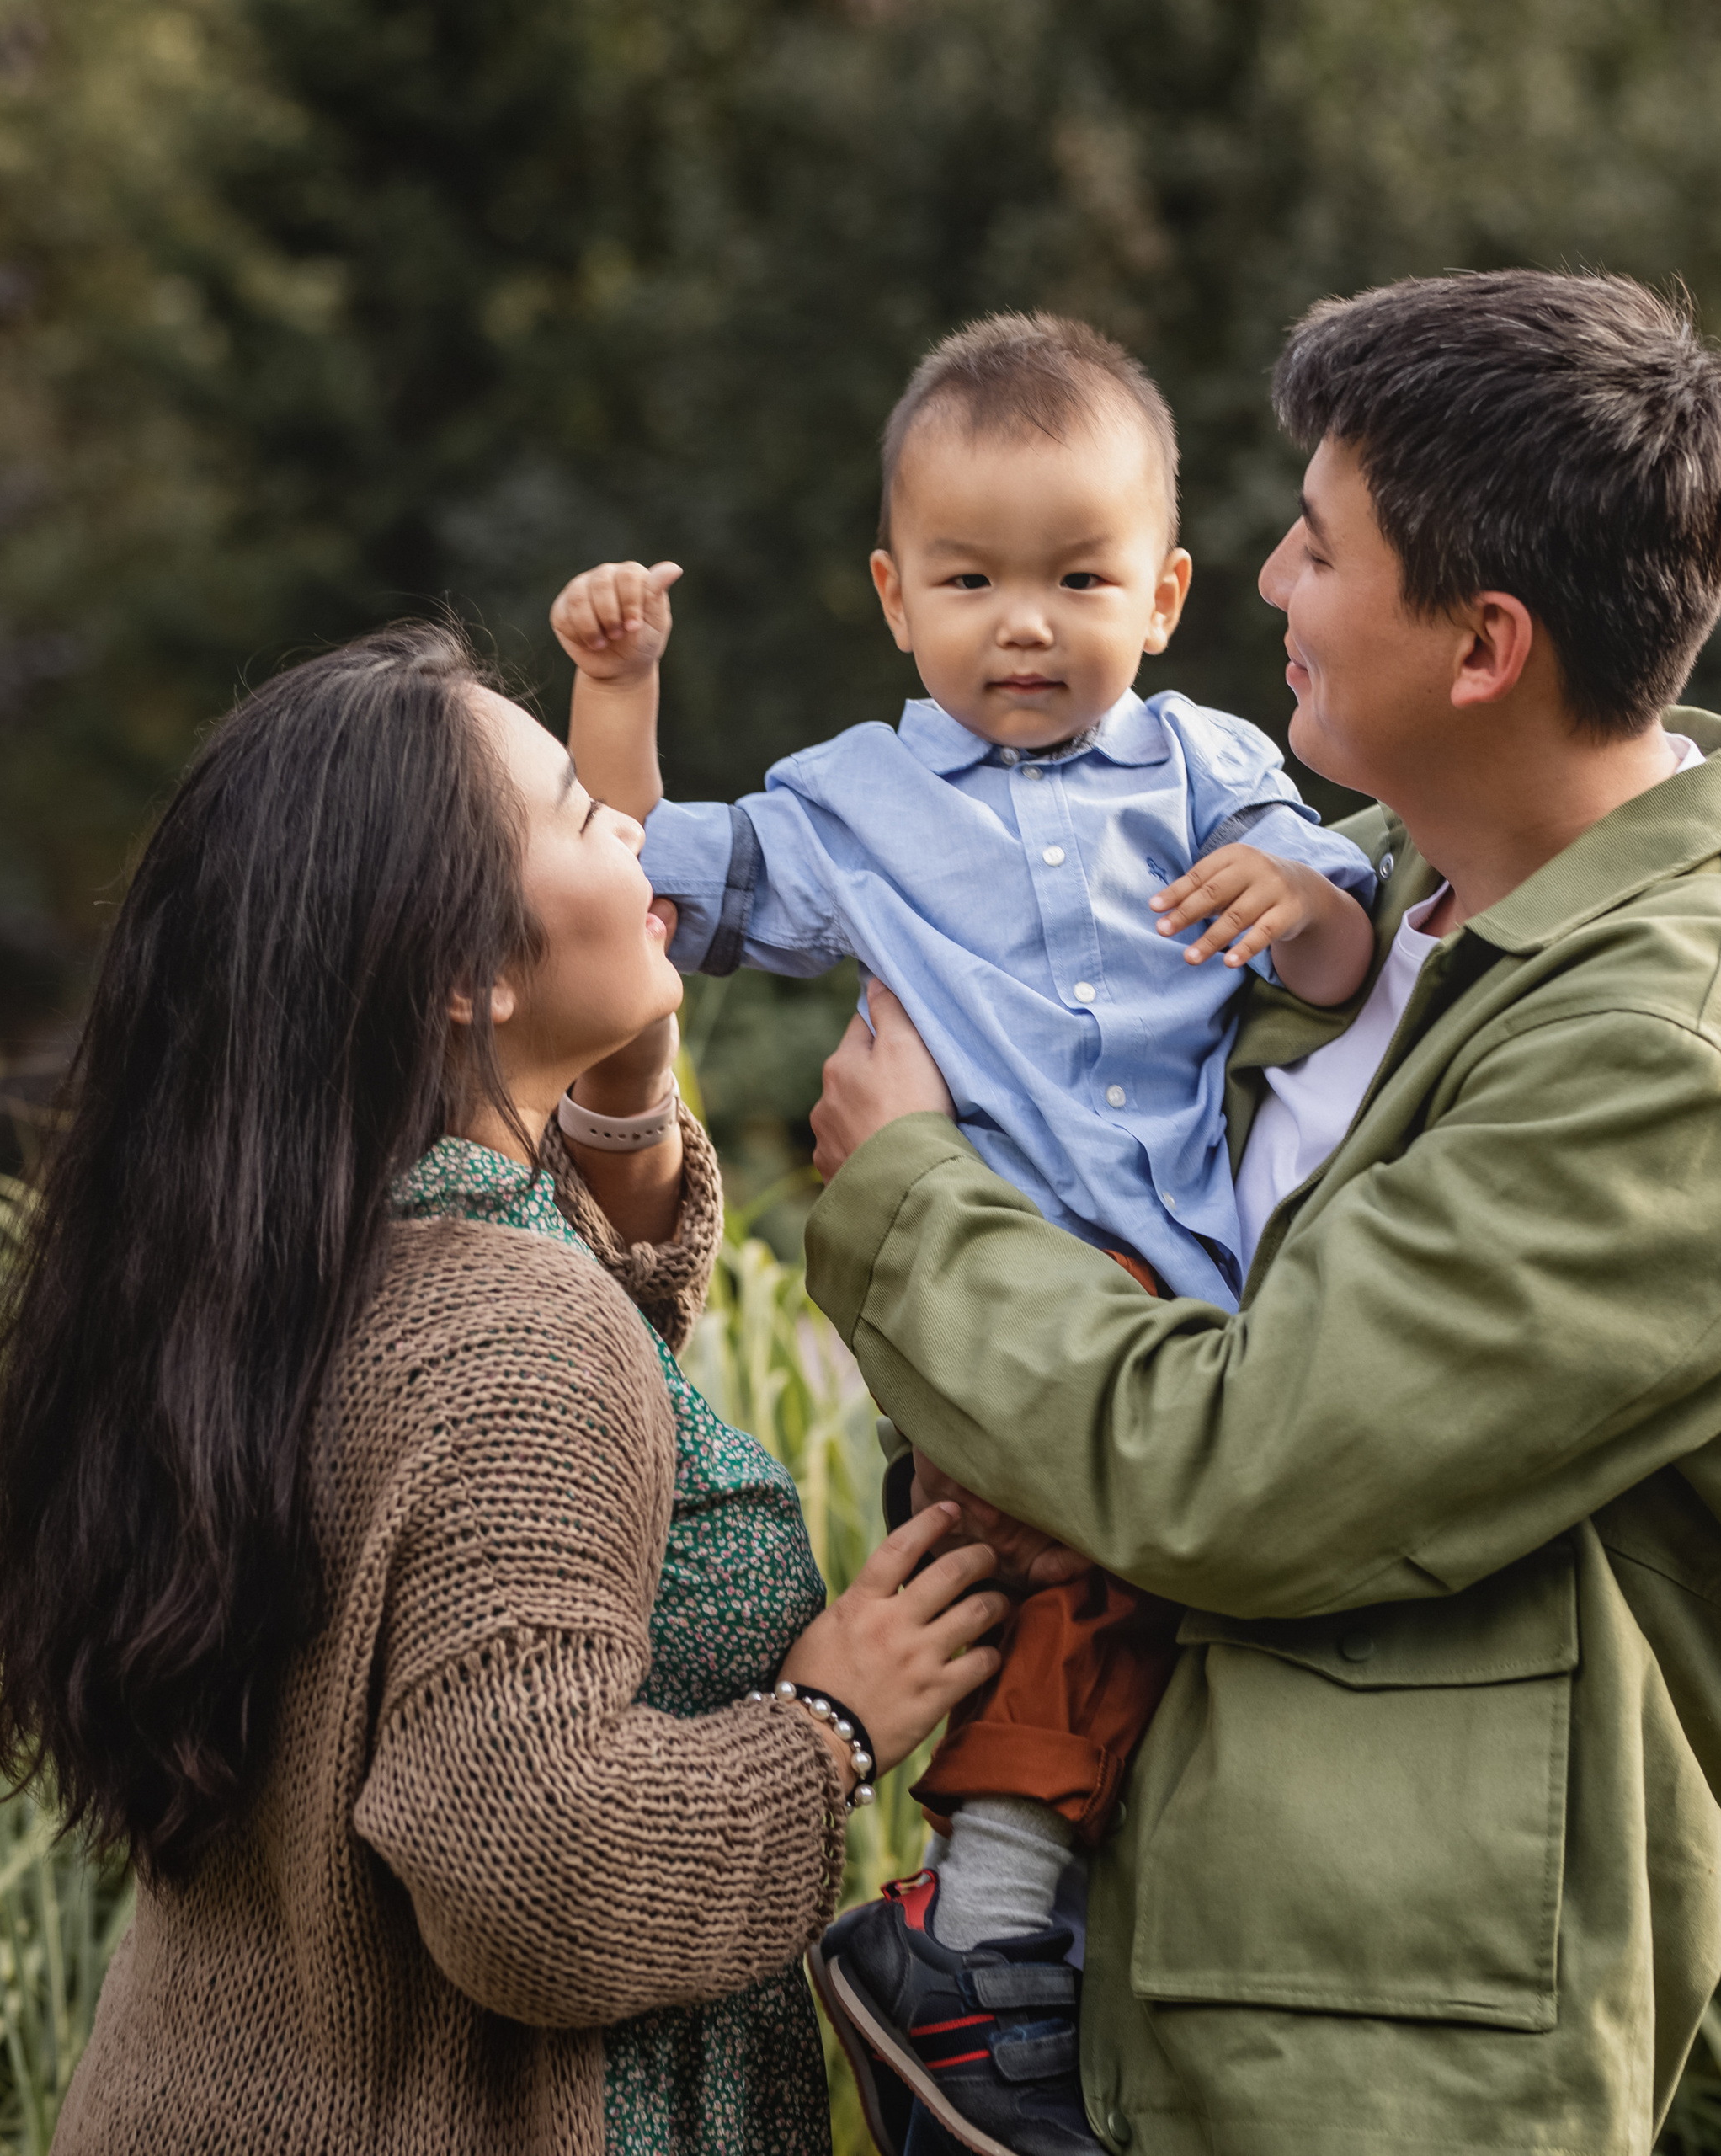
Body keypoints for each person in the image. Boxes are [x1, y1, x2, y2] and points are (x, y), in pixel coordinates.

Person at [802, 270, 1721, 2156]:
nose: (1264, 583)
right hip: (1135, 1990)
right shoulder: (1339, 899)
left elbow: (1237, 1465)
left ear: (1479, 648)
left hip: (1359, 2075)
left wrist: (906, 1197)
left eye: (1312, 544)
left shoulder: (1667, 1060)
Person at [0, 622, 1012, 2156]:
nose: (632, 825)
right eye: (581, 812)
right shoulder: (504, 1337)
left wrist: (626, 1088)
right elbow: (540, 1875)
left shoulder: (288, 1265)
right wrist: (829, 1726)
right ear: (465, 974)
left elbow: (553, 1417)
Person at [553, 312, 1376, 2156]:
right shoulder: (850, 805)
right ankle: (975, 1937)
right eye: (970, 578)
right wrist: (619, 679)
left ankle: (1021, 1971)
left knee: (1128, 1614)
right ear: (891, 595)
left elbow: (1342, 924)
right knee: (1049, 1575)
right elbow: (626, 876)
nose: (1024, 622)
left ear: (1161, 592)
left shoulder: (1205, 763)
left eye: (1076, 576)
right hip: (989, 1300)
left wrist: (1298, 891)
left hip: (1185, 1302)